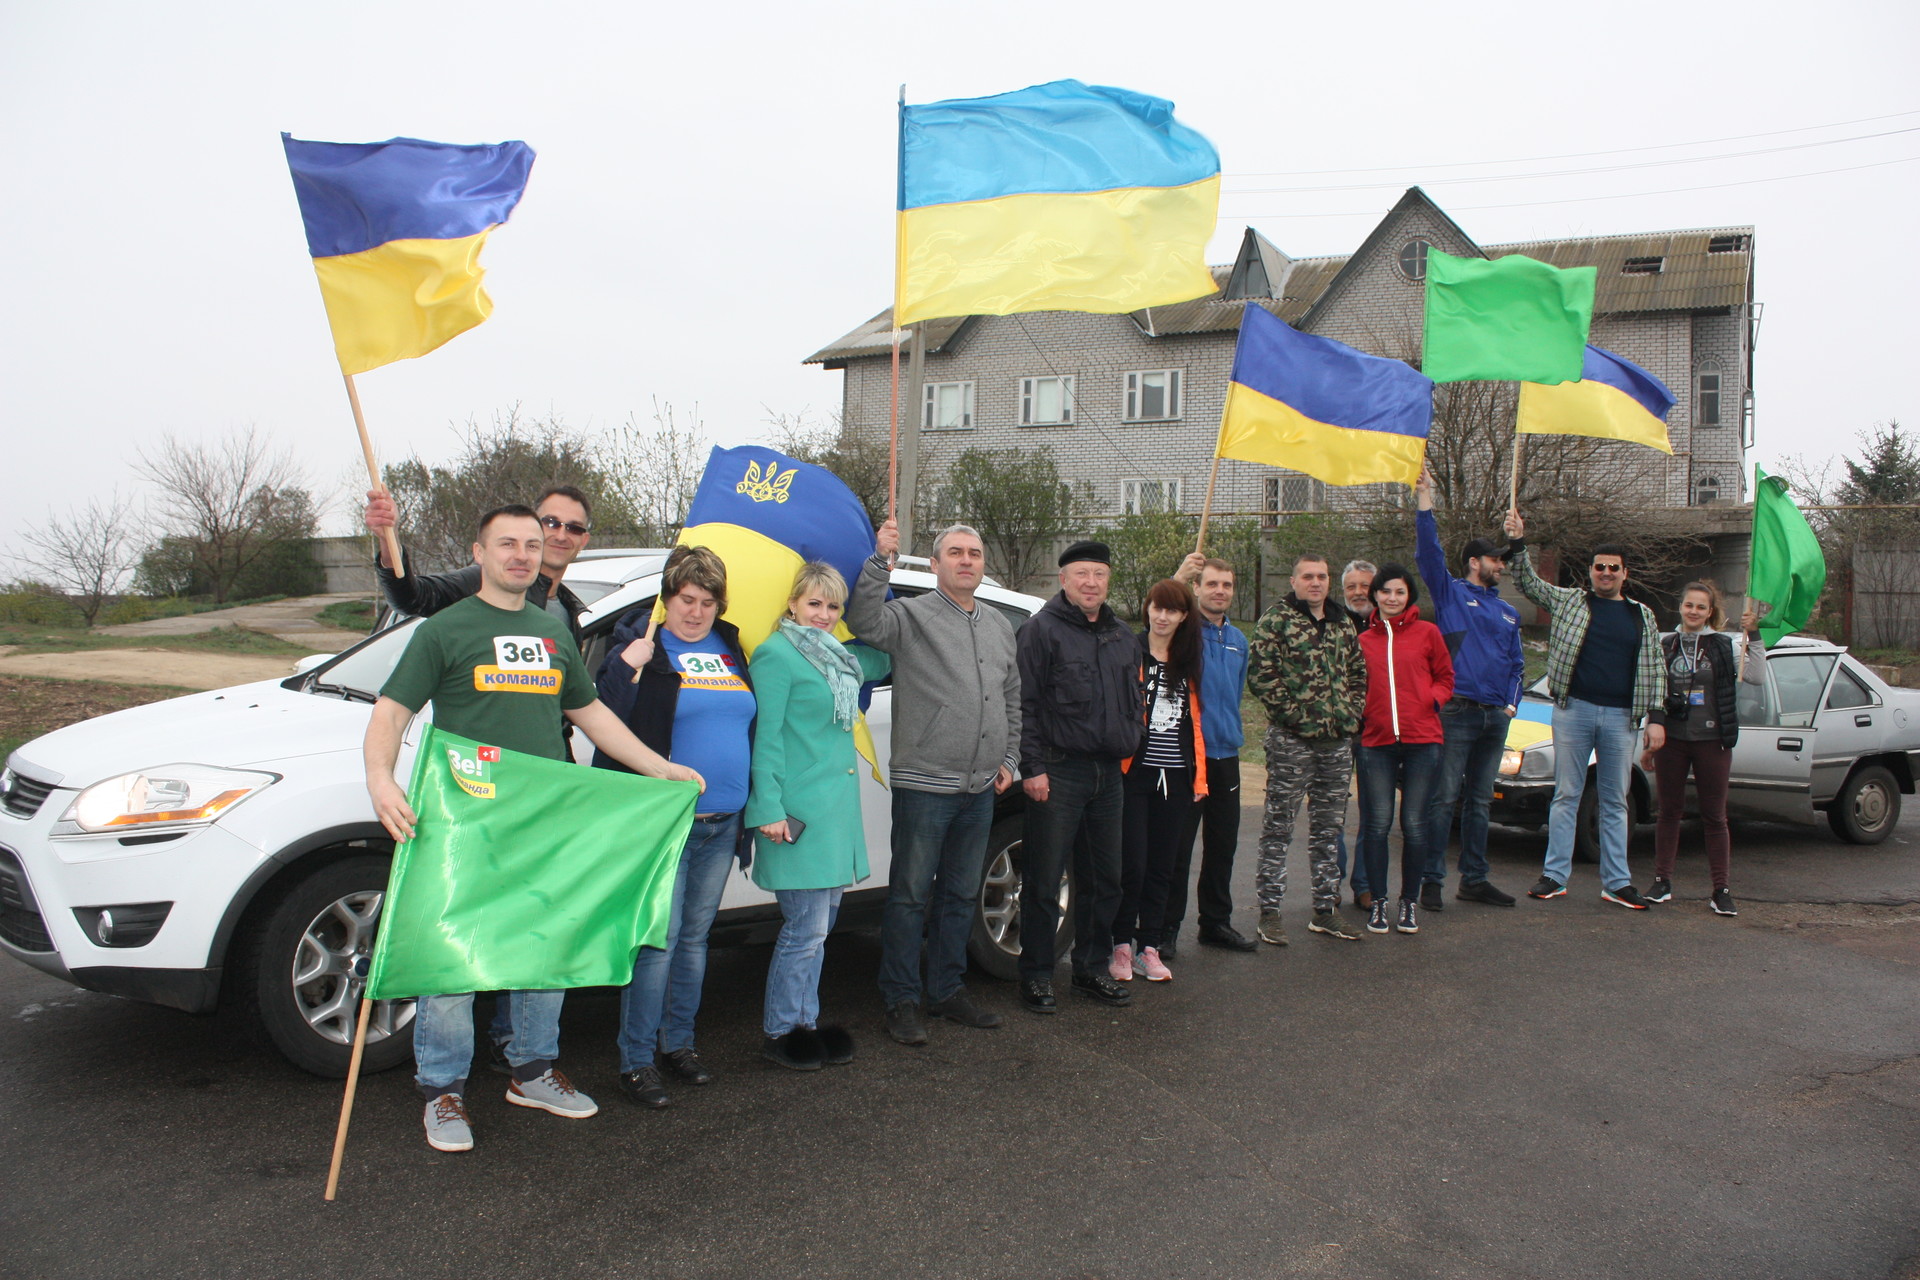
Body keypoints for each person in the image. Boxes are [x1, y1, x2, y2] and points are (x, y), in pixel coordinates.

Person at [362, 504, 702, 1153]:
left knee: (545, 942)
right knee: (452, 956)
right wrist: (381, 780)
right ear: (480, 553)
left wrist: (659, 768)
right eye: (506, 543)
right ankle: (442, 1089)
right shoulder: (445, 629)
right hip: (466, 821)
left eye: (530, 543)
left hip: (544, 821)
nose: (521, 554)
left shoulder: (551, 632)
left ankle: (533, 1069)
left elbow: (591, 713)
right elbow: (391, 712)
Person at [592, 545, 754, 1108]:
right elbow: (602, 712)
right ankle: (636, 1060)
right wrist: (627, 664)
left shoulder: (730, 646)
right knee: (658, 943)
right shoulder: (645, 645)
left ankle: (678, 1044)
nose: (696, 612)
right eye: (686, 599)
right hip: (667, 822)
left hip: (723, 822)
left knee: (693, 941)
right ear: (667, 599)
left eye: (708, 602)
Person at [847, 519, 1019, 1047]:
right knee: (909, 896)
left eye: (974, 553)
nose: (967, 561)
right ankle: (900, 998)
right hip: (924, 784)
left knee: (961, 894)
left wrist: (1010, 758)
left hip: (981, 788)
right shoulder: (911, 616)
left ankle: (946, 990)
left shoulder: (998, 625)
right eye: (956, 553)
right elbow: (863, 620)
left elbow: (1012, 697)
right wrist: (880, 561)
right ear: (936, 563)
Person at [745, 563, 892, 1069]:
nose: (824, 615)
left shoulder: (839, 658)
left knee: (819, 930)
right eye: (814, 603)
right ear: (792, 604)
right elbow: (765, 739)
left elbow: (885, 652)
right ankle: (780, 1031)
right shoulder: (775, 655)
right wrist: (768, 808)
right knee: (804, 929)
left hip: (833, 814)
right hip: (796, 813)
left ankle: (805, 1023)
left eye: (833, 606)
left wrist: (878, 571)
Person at [1504, 511, 1666, 908]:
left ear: (1625, 574)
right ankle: (1554, 876)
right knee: (1567, 795)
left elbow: (1655, 669)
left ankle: (1617, 883)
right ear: (1591, 571)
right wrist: (1518, 542)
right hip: (1573, 711)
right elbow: (1528, 583)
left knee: (1615, 800)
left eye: (1613, 568)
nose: (1606, 573)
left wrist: (1657, 718)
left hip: (1621, 719)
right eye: (1599, 567)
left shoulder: (1642, 615)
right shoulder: (1570, 602)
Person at [1015, 540, 1143, 1013]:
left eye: (1099, 574)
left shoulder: (1122, 635)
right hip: (1058, 771)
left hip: (1108, 774)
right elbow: (1024, 705)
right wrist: (1033, 768)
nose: (1091, 583)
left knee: (1105, 880)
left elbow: (1134, 699)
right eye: (1082, 574)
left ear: (1108, 581)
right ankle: (1037, 975)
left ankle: (1090, 969)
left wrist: (1132, 736)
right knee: (1045, 881)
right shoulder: (1040, 631)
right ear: (1063, 579)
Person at [1414, 469, 1525, 911]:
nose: (1502, 565)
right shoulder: (1452, 595)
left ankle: (1475, 879)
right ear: (1475, 562)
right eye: (1496, 559)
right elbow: (1428, 553)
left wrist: (1510, 706)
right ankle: (1431, 881)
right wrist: (1425, 501)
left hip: (1495, 717)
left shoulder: (1508, 612)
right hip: (1456, 712)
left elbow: (1517, 665)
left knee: (1481, 802)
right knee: (1443, 799)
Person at [1247, 553, 1369, 945]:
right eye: (1308, 576)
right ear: (1294, 581)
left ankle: (1325, 910)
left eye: (1321, 576)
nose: (1315, 583)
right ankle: (1269, 912)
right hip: (1292, 743)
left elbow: (1357, 673)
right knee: (1278, 828)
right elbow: (1261, 676)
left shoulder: (1341, 622)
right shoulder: (1276, 620)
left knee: (1328, 830)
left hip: (1336, 745)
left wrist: (1350, 714)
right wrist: (1298, 718)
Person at [1644, 585, 1763, 917]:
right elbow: (1653, 691)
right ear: (1680, 607)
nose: (1693, 611)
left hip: (1713, 740)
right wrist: (1649, 739)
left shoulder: (1723, 645)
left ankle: (1720, 890)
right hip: (1672, 739)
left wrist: (1754, 634)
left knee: (1714, 816)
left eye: (1700, 607)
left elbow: (1756, 676)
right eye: (1689, 605)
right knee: (1669, 812)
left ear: (1710, 612)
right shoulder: (1665, 644)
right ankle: (1662, 881)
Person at [1110, 579, 1207, 983]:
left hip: (1178, 778)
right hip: (1134, 775)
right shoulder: (1129, 651)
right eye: (1157, 607)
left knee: (1162, 867)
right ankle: (1119, 945)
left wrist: (1199, 779)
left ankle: (1148, 946)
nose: (1163, 616)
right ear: (1147, 608)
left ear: (1184, 616)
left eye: (1172, 610)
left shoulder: (1189, 659)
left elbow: (1195, 723)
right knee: (1131, 865)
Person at [1354, 565, 1454, 935]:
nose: (1392, 598)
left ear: (1409, 595)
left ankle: (1408, 901)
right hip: (1376, 742)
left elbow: (1446, 676)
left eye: (1399, 592)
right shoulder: (1364, 640)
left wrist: (1432, 700)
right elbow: (1354, 685)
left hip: (1422, 740)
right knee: (1377, 823)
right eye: (1385, 591)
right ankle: (1378, 901)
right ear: (1375, 596)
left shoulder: (1428, 633)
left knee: (1414, 823)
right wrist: (1364, 714)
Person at [1166, 553, 1258, 954]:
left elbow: (1235, 695)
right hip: (1190, 757)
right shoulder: (1183, 633)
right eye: (1212, 583)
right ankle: (1165, 929)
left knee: (1222, 846)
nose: (1220, 591)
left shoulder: (1239, 640)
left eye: (1227, 585)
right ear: (1197, 588)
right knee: (1177, 847)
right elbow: (1159, 617)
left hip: (1226, 756)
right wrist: (1178, 578)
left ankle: (1215, 923)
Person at [364, 484, 595, 641]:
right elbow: (410, 598)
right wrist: (388, 538)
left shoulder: (569, 609)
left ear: (584, 540)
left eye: (574, 528)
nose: (561, 535)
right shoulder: (485, 581)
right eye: (551, 523)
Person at [1335, 559, 1377, 910]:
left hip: (1376, 731)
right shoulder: (1332, 623)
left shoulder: (1388, 624)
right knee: (1333, 810)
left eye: (1365, 585)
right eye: (1352, 586)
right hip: (1338, 730)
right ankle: (1330, 882)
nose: (1358, 592)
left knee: (1373, 811)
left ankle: (1365, 884)